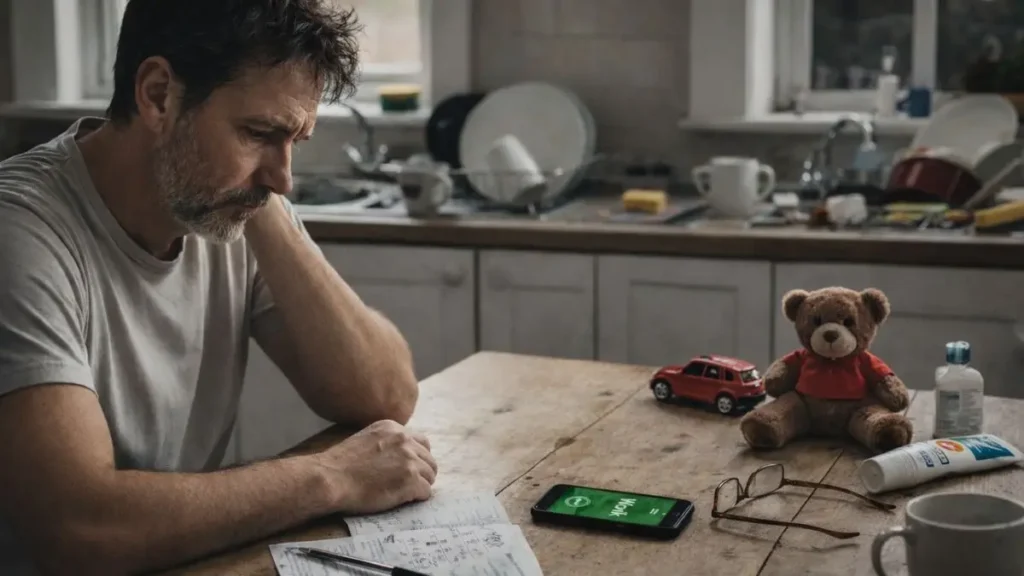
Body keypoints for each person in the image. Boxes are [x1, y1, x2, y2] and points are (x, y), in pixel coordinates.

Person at [0, 1, 438, 574]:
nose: (284, 178)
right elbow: (81, 527)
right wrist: (330, 477)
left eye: (295, 140)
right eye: (259, 132)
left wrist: (262, 203)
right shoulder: (21, 232)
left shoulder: (221, 203)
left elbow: (384, 396)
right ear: (158, 94)